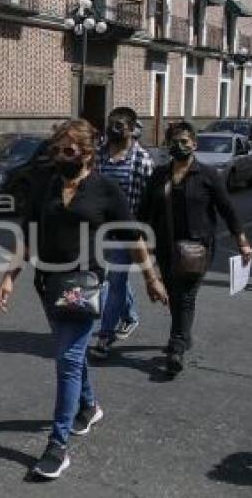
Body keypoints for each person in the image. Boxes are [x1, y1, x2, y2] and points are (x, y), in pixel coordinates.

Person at [0, 119, 168, 479]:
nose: (60, 156)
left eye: (68, 150)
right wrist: (10, 276)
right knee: (68, 353)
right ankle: (88, 406)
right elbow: (28, 234)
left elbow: (133, 236)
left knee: (68, 360)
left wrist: (151, 277)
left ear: (88, 152)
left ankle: (58, 446)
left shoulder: (105, 189)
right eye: (56, 150)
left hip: (84, 283)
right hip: (47, 284)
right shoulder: (46, 185)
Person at [138, 122, 252, 376]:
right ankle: (183, 334)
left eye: (185, 142)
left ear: (194, 145)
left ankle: (176, 346)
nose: (179, 146)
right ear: (168, 145)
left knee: (186, 296)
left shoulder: (208, 175)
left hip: (197, 249)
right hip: (166, 248)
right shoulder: (159, 176)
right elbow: (144, 213)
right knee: (173, 294)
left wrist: (242, 241)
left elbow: (228, 210)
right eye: (174, 142)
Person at [91, 107, 155, 358]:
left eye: (118, 125)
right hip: (99, 231)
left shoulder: (142, 160)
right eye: (110, 124)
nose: (113, 129)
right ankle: (129, 315)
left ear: (130, 128)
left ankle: (105, 335)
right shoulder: (99, 155)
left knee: (114, 282)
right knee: (113, 280)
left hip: (127, 233)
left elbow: (149, 201)